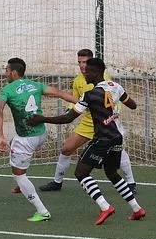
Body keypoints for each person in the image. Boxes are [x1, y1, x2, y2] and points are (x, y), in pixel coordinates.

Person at [28, 58, 145, 225]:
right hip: (117, 136)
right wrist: (112, 111)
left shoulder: (89, 95)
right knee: (111, 173)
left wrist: (41, 118)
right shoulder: (116, 87)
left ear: (97, 72)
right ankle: (137, 209)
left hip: (103, 138)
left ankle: (105, 207)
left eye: (87, 71)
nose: (84, 74)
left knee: (81, 173)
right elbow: (132, 105)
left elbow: (68, 118)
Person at [36, 48, 138, 194]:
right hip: (87, 123)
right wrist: (69, 109)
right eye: (79, 62)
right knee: (66, 148)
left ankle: (131, 183)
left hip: (105, 124)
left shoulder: (104, 78)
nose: (82, 66)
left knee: (119, 153)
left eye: (84, 62)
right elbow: (76, 99)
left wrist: (116, 113)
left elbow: (114, 99)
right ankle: (57, 182)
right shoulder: (79, 80)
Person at [0, 57, 76, 222]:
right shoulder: (36, 85)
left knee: (18, 174)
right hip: (41, 134)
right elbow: (59, 93)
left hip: (26, 139)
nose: (5, 73)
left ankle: (42, 211)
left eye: (6, 70)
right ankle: (22, 183)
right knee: (15, 148)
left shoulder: (7, 90)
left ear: (14, 72)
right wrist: (83, 103)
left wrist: (1, 136)